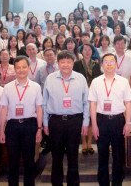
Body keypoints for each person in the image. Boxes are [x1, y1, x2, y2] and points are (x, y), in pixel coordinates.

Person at [42, 50, 90, 186]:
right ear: (58, 63)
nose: (65, 65)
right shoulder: (50, 78)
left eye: (68, 62)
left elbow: (86, 102)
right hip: (55, 121)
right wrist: (45, 123)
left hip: (75, 121)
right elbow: (44, 103)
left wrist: (85, 122)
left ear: (73, 63)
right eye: (62, 62)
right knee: (56, 157)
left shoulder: (80, 78)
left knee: (73, 156)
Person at [0, 56, 43, 186]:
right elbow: (3, 109)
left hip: (30, 125)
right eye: (18, 67)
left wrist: (39, 129)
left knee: (29, 161)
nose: (21, 70)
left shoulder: (35, 87)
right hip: (12, 126)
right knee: (13, 161)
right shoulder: (7, 87)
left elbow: (39, 108)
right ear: (15, 69)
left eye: (24, 67)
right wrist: (2, 130)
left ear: (28, 68)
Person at [89, 53, 131, 186]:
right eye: (106, 61)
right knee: (102, 155)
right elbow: (93, 104)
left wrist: (128, 122)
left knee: (118, 156)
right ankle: (103, 183)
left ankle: (117, 183)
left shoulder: (123, 81)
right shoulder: (96, 82)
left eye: (111, 61)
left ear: (116, 64)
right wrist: (94, 125)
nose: (109, 64)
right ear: (102, 65)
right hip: (101, 121)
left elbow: (128, 103)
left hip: (118, 120)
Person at [73, 44, 102, 154]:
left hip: (93, 95)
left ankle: (89, 143)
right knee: (82, 118)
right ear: (81, 51)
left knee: (91, 119)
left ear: (92, 51)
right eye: (85, 49)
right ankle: (83, 143)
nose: (87, 51)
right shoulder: (76, 64)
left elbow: (98, 80)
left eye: (90, 49)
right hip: (80, 94)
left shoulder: (96, 64)